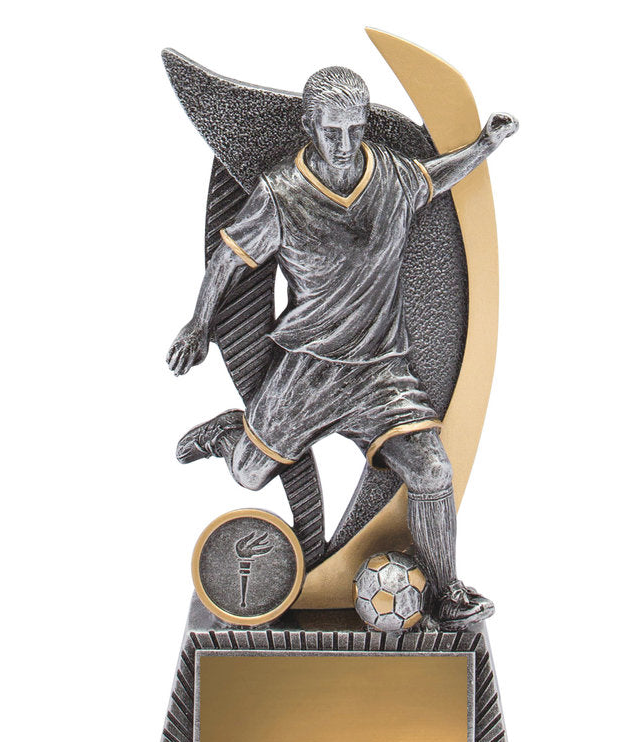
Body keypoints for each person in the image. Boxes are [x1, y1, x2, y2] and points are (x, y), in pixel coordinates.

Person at [166, 66, 517, 629]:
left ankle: (447, 592)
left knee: (432, 472)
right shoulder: (281, 193)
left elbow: (435, 176)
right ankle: (230, 433)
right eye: (331, 131)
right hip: (309, 371)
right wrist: (198, 325)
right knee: (249, 475)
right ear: (309, 125)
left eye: (355, 129)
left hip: (381, 373)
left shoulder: (391, 176)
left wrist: (484, 146)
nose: (344, 143)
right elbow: (229, 260)